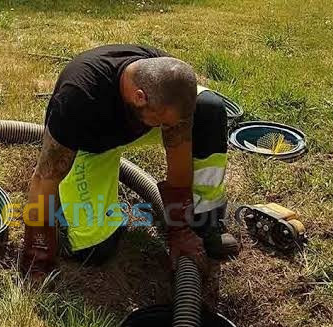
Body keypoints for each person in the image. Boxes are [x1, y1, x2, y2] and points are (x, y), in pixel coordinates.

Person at [20, 44, 239, 278]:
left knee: (209, 109)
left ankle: (206, 219)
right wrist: (38, 254)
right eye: (165, 124)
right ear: (139, 97)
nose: (170, 129)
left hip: (146, 118)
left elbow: (178, 155)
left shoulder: (161, 78)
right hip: (92, 145)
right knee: (95, 250)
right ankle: (90, 218)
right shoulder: (77, 100)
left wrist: (180, 230)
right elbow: (45, 179)